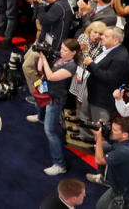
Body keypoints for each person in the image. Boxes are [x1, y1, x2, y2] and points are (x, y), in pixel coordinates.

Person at [30, 39, 82, 176]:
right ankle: (40, 117)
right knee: (40, 107)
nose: (61, 51)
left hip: (56, 99)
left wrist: (45, 60)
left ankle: (60, 164)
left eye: (65, 50)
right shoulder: (60, 58)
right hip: (48, 93)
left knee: (50, 131)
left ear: (73, 52)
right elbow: (41, 69)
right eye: (62, 48)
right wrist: (43, 56)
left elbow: (52, 76)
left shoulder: (72, 66)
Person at [92, 117, 129, 209]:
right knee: (100, 207)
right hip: (117, 187)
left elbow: (99, 160)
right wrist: (100, 128)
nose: (111, 131)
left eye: (114, 130)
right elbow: (110, 139)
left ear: (124, 134)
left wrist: (98, 138)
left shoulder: (125, 151)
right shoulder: (126, 140)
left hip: (127, 195)